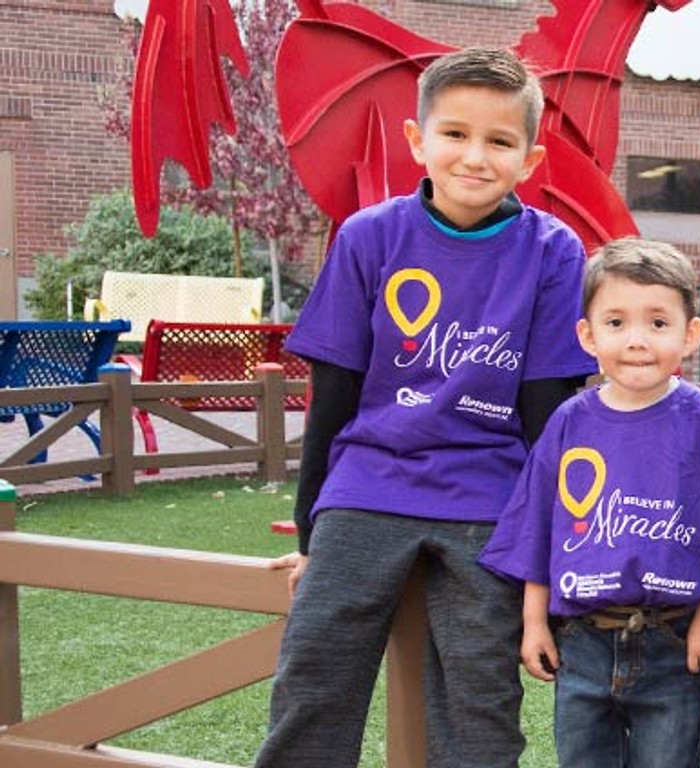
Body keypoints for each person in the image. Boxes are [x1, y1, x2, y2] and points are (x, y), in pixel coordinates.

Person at [257, 47, 599, 767]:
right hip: (367, 485)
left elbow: (548, 413)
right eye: (455, 134)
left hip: (490, 498)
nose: (475, 156)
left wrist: (547, 546)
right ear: (417, 140)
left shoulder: (553, 251)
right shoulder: (368, 237)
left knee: (480, 695)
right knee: (314, 672)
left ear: (530, 159)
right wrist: (313, 532)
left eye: (499, 141)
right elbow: (333, 395)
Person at [480, 238, 700, 768]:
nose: (637, 340)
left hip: (674, 637)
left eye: (658, 323)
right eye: (616, 323)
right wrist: (535, 622)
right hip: (582, 638)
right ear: (587, 335)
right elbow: (539, 527)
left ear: (690, 334)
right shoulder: (568, 423)